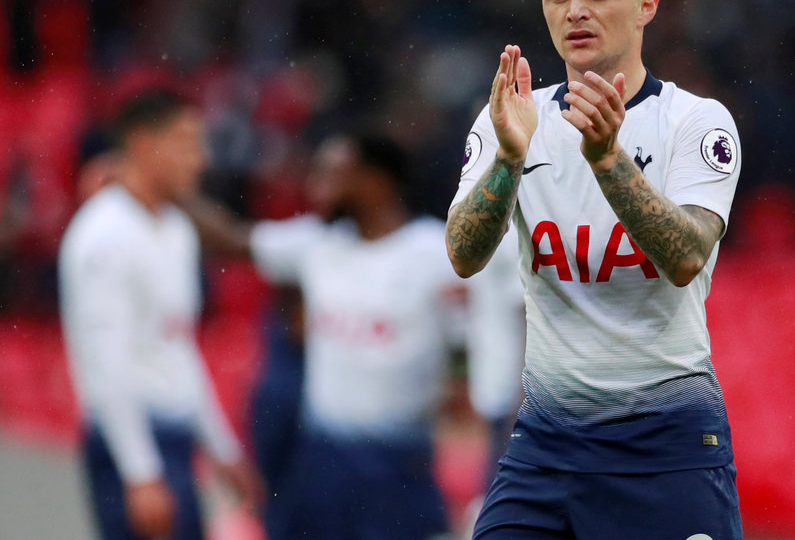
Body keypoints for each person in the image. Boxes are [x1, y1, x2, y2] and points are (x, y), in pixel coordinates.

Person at [446, 0, 744, 539]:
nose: (575, 11)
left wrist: (609, 160)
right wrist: (507, 158)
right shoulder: (513, 117)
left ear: (646, 6)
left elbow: (686, 256)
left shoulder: (696, 122)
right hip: (548, 442)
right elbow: (464, 256)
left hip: (667, 445)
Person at [183, 132, 523, 540]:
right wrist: (166, 191)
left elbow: (479, 329)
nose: (316, 186)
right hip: (322, 458)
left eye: (332, 173)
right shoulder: (315, 244)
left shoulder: (437, 252)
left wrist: (460, 381)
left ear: (375, 181)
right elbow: (229, 239)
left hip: (400, 462)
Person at [58, 90, 261, 540]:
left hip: (175, 440)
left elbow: (177, 344)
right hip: (129, 443)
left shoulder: (176, 231)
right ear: (144, 145)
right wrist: (140, 473)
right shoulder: (102, 236)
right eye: (188, 143)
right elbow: (103, 364)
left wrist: (220, 446)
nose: (201, 160)